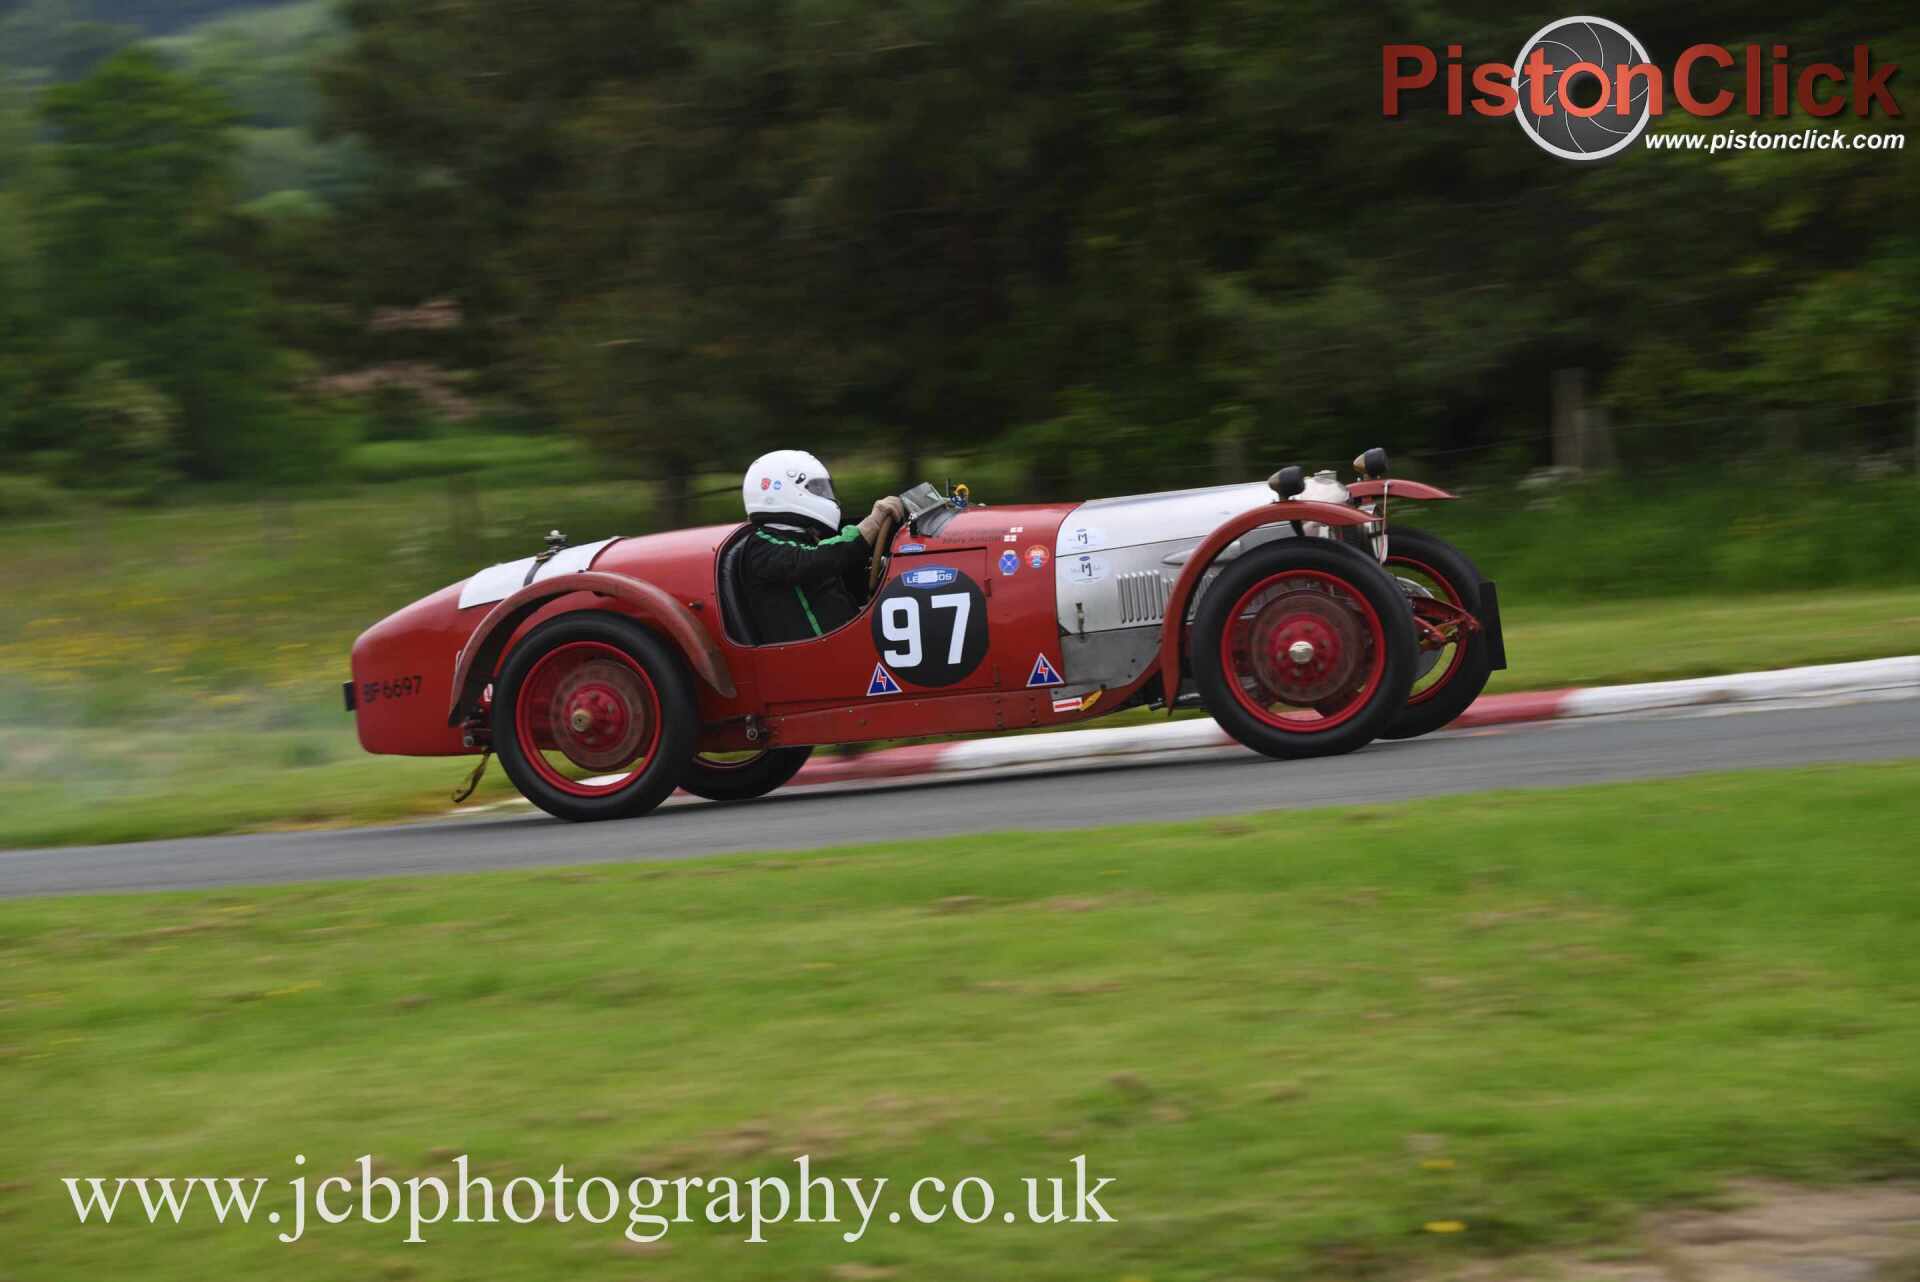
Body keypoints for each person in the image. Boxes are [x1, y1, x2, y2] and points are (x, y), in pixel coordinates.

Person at [738, 450, 906, 642]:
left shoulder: (804, 537)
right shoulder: (761, 546)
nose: (825, 494)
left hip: (845, 639)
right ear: (783, 490)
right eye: (817, 488)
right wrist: (873, 522)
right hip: (817, 653)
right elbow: (821, 558)